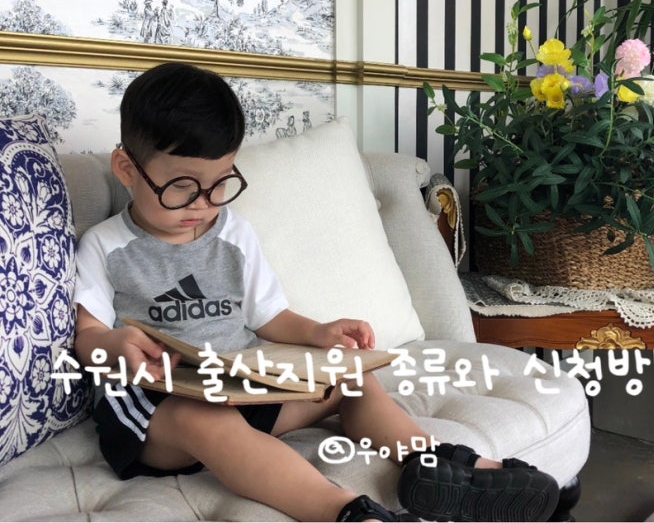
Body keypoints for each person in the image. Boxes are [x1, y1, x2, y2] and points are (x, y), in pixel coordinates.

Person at [73, 62, 560, 523]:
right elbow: (87, 336)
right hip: (158, 413)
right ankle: (345, 512)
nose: (202, 205)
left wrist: (319, 333)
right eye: (181, 187)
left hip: (244, 392)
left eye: (219, 185)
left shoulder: (233, 234)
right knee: (203, 419)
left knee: (352, 377)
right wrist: (115, 344)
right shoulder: (105, 245)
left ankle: (438, 465)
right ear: (127, 168)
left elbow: (270, 318)